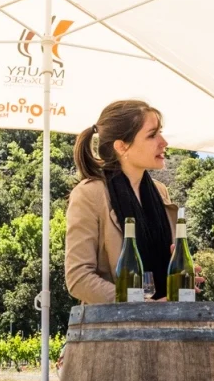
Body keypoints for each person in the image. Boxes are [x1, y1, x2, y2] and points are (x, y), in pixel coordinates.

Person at [66, 99, 179, 304]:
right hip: (113, 322)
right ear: (121, 146)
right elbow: (78, 278)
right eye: (152, 135)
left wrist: (180, 275)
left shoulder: (160, 192)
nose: (163, 142)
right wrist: (138, 305)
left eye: (160, 132)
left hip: (165, 320)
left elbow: (164, 265)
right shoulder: (89, 194)